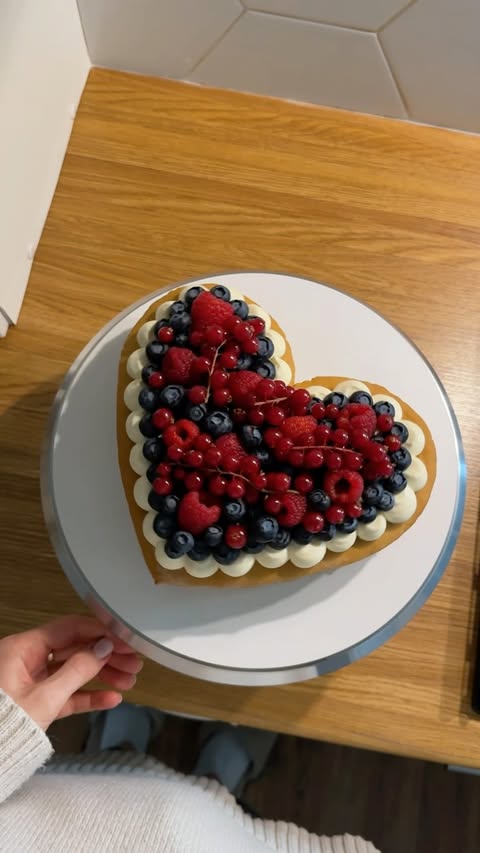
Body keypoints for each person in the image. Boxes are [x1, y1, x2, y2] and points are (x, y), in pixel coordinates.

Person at [0, 615, 380, 852]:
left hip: (57, 797)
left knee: (111, 760)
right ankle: (219, 775)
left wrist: (6, 732)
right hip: (222, 837)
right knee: (214, 798)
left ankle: (119, 746)